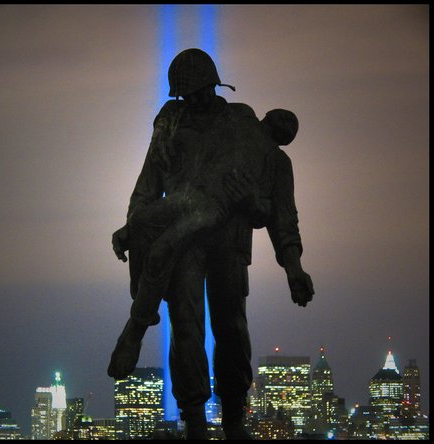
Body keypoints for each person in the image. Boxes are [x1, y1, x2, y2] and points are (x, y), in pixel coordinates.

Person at [109, 48, 314, 440]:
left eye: (203, 91)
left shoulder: (242, 123)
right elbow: (147, 187)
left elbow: (276, 212)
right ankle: (195, 423)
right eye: (189, 95)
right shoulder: (169, 127)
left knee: (232, 329)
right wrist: (132, 227)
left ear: (216, 85)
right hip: (185, 237)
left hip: (227, 240)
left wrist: (293, 268)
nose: (197, 100)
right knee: (186, 326)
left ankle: (234, 417)